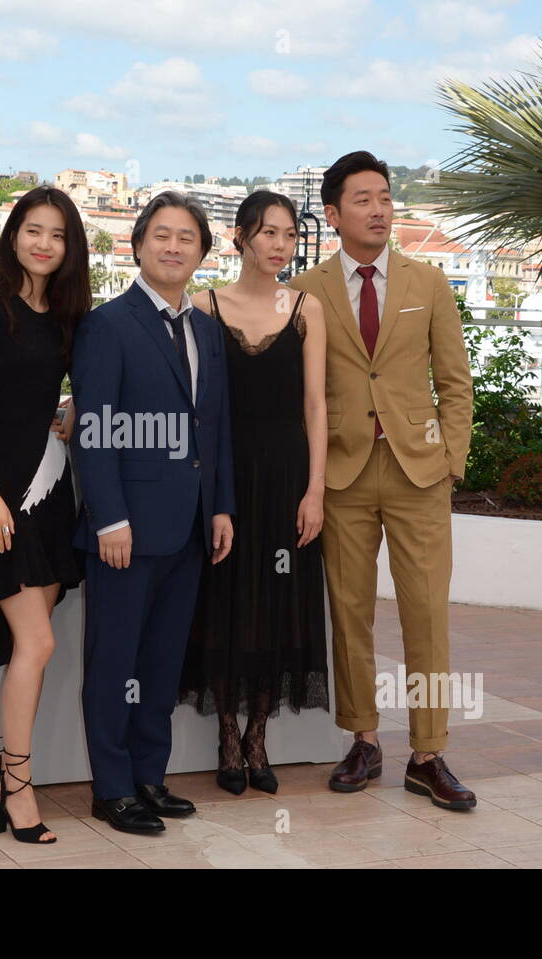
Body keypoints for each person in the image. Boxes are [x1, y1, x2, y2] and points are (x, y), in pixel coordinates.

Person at [289, 151, 476, 810]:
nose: (379, 209)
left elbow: (455, 381)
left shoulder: (428, 282)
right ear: (334, 214)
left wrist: (451, 458)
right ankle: (362, 738)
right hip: (341, 473)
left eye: (386, 197)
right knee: (350, 613)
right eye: (363, 200)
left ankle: (428, 751)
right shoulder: (306, 289)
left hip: (419, 472)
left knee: (427, 613)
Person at [70, 191, 236, 834]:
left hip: (191, 527)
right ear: (137, 245)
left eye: (186, 238)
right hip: (126, 532)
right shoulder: (107, 325)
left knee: (162, 663)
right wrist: (109, 518)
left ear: (201, 251)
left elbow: (213, 429)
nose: (173, 246)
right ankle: (111, 788)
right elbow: (96, 430)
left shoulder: (206, 330)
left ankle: (149, 775)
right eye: (161, 235)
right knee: (113, 663)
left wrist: (220, 508)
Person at [179, 190, 330, 795]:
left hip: (288, 474)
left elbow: (316, 405)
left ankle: (259, 735)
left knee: (278, 602)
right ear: (240, 237)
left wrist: (315, 490)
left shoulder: (307, 308)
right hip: (222, 475)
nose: (279, 245)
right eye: (267, 233)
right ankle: (226, 738)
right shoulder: (202, 306)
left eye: (289, 235)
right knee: (224, 599)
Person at [0, 186, 90, 844]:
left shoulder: (69, 315)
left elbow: (71, 390)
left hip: (52, 491)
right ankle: (17, 781)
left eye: (57, 234)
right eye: (33, 229)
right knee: (36, 642)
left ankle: (5, 775)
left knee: (29, 648)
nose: (44, 243)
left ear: (70, 247)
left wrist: (71, 410)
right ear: (12, 236)